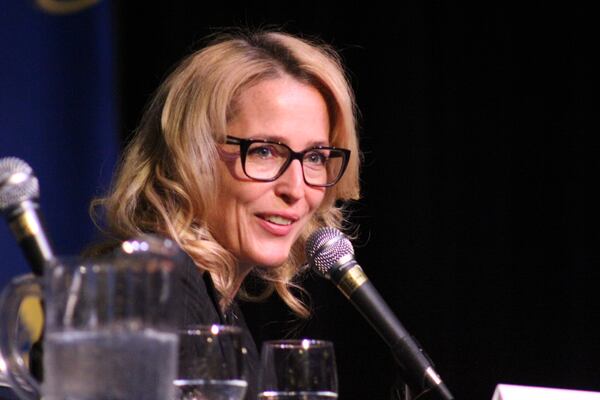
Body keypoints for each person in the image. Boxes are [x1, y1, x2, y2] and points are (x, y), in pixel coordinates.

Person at [89, 29, 361, 399]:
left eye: (314, 158)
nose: (296, 189)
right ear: (190, 155)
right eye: (266, 151)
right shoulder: (158, 287)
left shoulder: (214, 301)